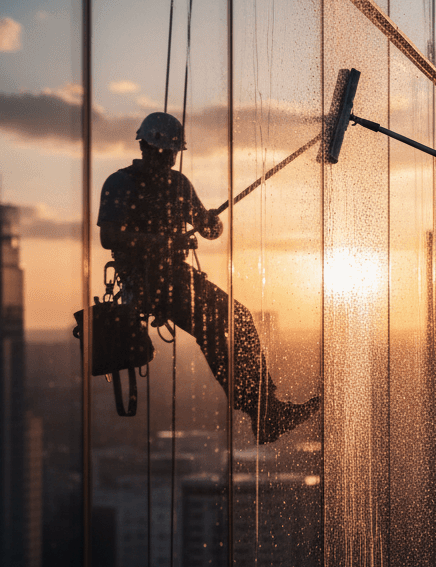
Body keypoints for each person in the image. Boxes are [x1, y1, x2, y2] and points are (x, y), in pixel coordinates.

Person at [98, 112, 318, 444]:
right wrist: (165, 242)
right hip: (143, 281)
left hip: (174, 275)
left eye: (172, 154)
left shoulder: (177, 185)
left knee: (235, 321)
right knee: (219, 328)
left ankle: (264, 408)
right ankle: (263, 411)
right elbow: (110, 238)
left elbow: (209, 228)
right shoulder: (120, 183)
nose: (169, 160)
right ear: (145, 147)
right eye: (164, 153)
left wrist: (210, 222)